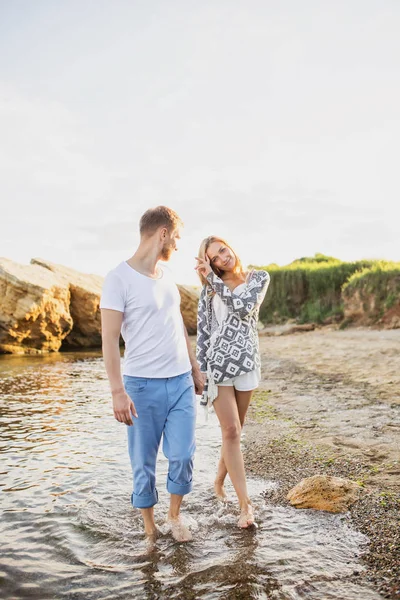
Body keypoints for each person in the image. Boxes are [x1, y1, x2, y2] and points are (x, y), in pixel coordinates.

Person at [100, 206, 204, 543]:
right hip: (141, 387)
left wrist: (194, 368)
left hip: (180, 384)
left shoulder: (168, 277)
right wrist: (118, 391)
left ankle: (174, 514)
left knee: (184, 455)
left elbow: (178, 328)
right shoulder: (118, 278)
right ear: (162, 233)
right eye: (176, 237)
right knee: (143, 465)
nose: (177, 244)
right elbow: (109, 340)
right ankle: (149, 528)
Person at [195, 236, 270, 528]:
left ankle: (218, 480)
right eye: (214, 257)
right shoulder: (208, 293)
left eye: (222, 250)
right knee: (230, 430)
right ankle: (245, 505)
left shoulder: (258, 278)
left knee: (236, 431)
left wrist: (214, 281)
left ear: (231, 248)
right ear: (210, 263)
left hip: (246, 363)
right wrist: (200, 371)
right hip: (218, 366)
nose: (222, 258)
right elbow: (203, 334)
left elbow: (242, 307)